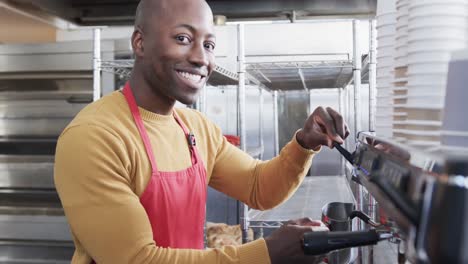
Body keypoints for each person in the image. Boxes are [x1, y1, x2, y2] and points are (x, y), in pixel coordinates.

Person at [54, 0, 350, 263]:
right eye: (183, 38)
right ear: (140, 43)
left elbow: (259, 188)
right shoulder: (95, 136)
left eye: (208, 45)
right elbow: (137, 259)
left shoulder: (196, 128)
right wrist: (268, 253)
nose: (201, 58)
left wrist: (304, 143)